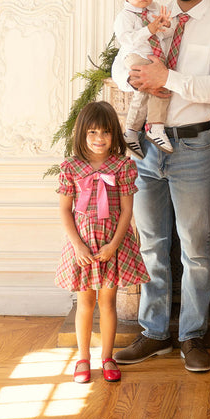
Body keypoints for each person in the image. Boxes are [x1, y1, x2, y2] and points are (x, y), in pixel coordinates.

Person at [113, 0, 210, 373]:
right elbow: (120, 60)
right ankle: (155, 334)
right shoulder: (151, 13)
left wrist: (167, 77)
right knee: (151, 244)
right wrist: (136, 79)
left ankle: (191, 335)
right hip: (145, 147)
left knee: (196, 250)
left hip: (192, 144)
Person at [55, 101, 149, 384]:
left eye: (106, 132)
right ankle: (83, 358)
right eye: (93, 132)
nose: (99, 139)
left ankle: (107, 356)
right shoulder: (71, 167)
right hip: (82, 245)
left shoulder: (122, 165)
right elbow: (64, 209)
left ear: (114, 135)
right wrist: (77, 246)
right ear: (82, 134)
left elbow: (127, 211)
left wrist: (114, 246)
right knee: (85, 302)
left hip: (111, 246)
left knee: (108, 303)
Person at [112, 0, 173, 158]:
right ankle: (155, 126)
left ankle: (131, 131)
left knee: (147, 89)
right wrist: (150, 29)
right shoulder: (125, 16)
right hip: (134, 55)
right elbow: (127, 40)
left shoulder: (155, 10)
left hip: (151, 55)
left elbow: (164, 36)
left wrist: (166, 26)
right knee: (158, 82)